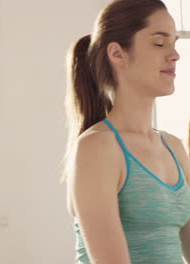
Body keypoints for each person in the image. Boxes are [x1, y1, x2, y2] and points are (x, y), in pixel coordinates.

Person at [64, 0, 190, 263]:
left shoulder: (174, 147)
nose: (174, 55)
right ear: (118, 54)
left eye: (175, 43)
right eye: (159, 43)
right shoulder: (97, 148)